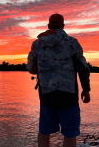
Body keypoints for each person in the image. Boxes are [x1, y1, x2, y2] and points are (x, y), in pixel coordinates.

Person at [26, 13, 91, 147]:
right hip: (69, 96)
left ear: (49, 25)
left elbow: (31, 69)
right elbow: (83, 68)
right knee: (70, 134)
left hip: (46, 95)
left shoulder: (37, 44)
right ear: (63, 25)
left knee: (44, 132)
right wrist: (86, 89)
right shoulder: (72, 42)